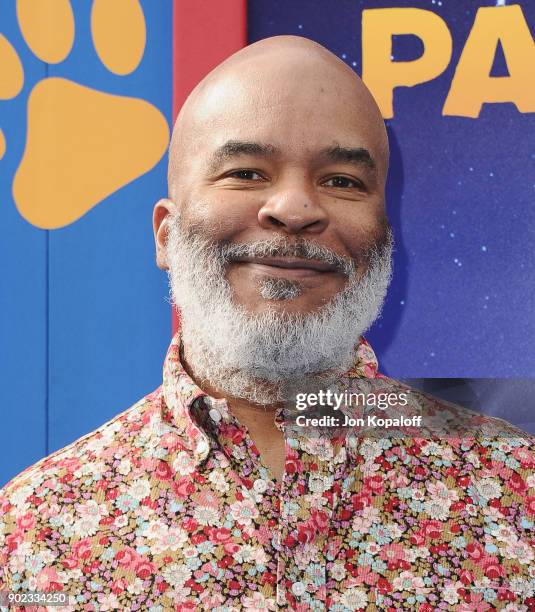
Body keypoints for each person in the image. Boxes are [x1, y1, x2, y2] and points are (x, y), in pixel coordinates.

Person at [1, 36, 534, 611]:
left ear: (385, 237)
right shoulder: (33, 533)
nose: (296, 208)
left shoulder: (515, 493)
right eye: (247, 172)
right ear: (165, 235)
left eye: (342, 181)